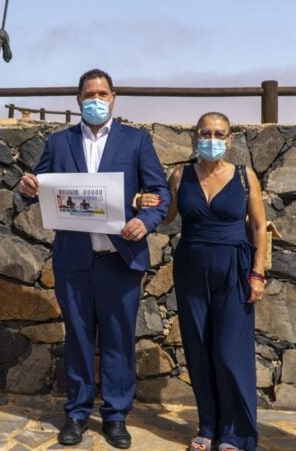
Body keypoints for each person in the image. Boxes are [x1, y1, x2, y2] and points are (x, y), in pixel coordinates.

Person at [18, 69, 169, 449]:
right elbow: (37, 189)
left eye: (103, 93)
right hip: (75, 260)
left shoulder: (136, 141)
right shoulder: (59, 142)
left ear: (114, 97)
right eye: (90, 94)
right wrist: (29, 187)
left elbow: (159, 194)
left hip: (120, 260)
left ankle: (116, 417)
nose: (96, 99)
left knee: (119, 340)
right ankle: (77, 413)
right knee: (79, 339)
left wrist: (144, 222)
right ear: (78, 99)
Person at [141, 112, 265, 451]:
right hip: (191, 267)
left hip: (234, 267)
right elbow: (166, 217)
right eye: (205, 132)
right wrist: (144, 201)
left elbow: (257, 227)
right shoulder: (180, 175)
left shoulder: (244, 176)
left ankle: (236, 432)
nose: (211, 138)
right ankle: (208, 427)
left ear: (230, 139)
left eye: (219, 133)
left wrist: (258, 272)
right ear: (195, 136)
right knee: (198, 348)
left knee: (229, 352)